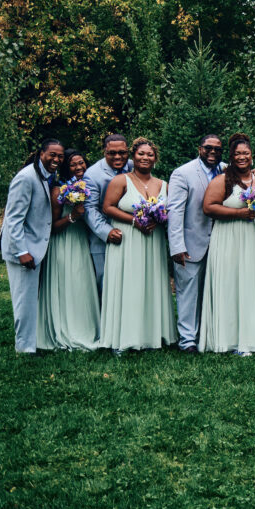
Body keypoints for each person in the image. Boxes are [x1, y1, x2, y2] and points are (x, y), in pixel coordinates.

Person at [99, 138, 177, 352]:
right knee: (129, 284)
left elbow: (170, 212)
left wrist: (160, 218)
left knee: (151, 284)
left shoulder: (164, 185)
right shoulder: (121, 181)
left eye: (150, 154)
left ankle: (151, 336)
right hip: (128, 240)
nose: (145, 158)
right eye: (141, 154)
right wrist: (134, 221)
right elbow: (108, 207)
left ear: (155, 159)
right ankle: (123, 338)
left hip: (153, 242)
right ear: (133, 156)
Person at [198, 133, 255, 354]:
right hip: (230, 239)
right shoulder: (221, 180)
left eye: (246, 153)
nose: (242, 157)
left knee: (252, 285)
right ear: (231, 156)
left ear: (252, 155)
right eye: (237, 154)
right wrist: (239, 213)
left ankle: (254, 337)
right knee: (231, 284)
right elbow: (209, 207)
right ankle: (229, 339)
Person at [1, 139, 63, 354]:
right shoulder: (26, 178)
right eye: (52, 155)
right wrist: (21, 251)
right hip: (23, 249)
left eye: (60, 156)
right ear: (41, 154)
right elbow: (13, 219)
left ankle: (35, 340)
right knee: (24, 301)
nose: (56, 159)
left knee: (32, 299)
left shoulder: (47, 176)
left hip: (36, 245)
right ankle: (25, 348)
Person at [167, 134, 226, 353]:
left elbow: (247, 172)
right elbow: (175, 211)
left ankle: (208, 334)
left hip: (220, 242)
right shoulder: (183, 173)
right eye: (208, 148)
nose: (213, 152)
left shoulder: (227, 169)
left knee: (213, 290)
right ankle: (188, 340)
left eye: (217, 149)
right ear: (199, 148)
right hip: (191, 242)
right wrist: (177, 246)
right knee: (187, 292)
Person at [37, 148, 100, 351]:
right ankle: (68, 330)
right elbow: (52, 227)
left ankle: (88, 327)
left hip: (81, 242)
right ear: (66, 168)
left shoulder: (87, 187)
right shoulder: (58, 190)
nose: (79, 167)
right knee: (69, 285)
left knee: (83, 285)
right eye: (73, 165)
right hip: (64, 244)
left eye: (82, 163)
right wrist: (73, 216)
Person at [83, 134, 132, 295]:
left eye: (122, 152)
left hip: (133, 234)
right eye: (112, 153)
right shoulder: (92, 174)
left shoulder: (133, 166)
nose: (118, 156)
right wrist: (107, 232)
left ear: (128, 151)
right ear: (105, 151)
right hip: (103, 240)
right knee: (105, 284)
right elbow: (90, 209)